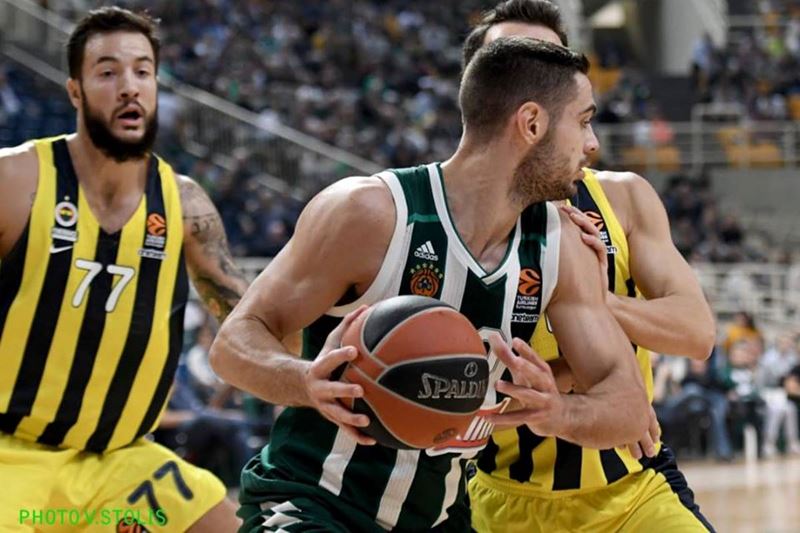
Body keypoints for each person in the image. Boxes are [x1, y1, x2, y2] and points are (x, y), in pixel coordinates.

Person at [210, 37, 649, 532]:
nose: (592, 144)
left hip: (440, 518)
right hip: (313, 503)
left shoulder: (561, 245)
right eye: (583, 121)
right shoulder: (370, 213)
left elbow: (630, 407)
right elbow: (232, 344)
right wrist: (306, 381)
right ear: (531, 123)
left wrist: (556, 412)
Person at [462, 2, 718, 532]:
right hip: (500, 495)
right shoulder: (446, 219)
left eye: (550, 63)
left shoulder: (622, 197)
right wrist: (587, 380)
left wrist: (601, 305)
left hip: (631, 488)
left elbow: (696, 333)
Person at [0, 8, 248, 532]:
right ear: (75, 91)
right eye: (108, 72)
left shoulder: (185, 205)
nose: (129, 86)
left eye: (142, 71)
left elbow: (247, 325)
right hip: (11, 456)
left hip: (123, 463)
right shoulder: (15, 181)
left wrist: (314, 373)